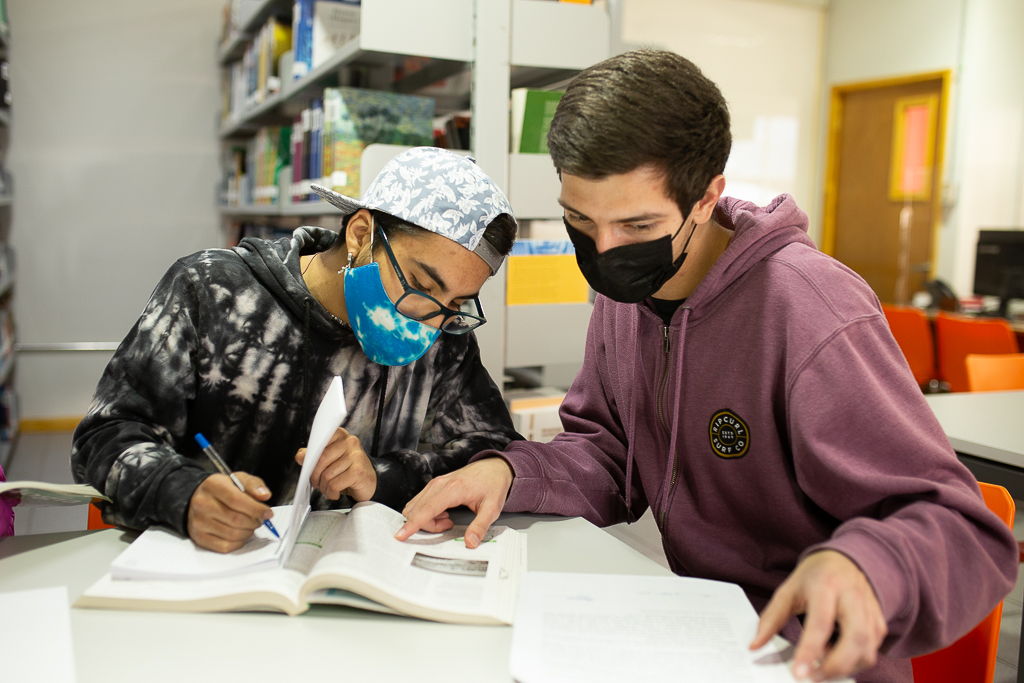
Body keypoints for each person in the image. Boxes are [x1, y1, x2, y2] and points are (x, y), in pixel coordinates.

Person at [395, 52, 1019, 682]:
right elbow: (611, 453)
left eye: (638, 224)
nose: (605, 252)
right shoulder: (628, 295)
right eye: (580, 220)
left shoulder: (811, 311)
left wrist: (864, 566)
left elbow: (961, 529)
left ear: (707, 196)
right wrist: (509, 472)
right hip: (701, 636)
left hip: (808, 661)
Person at [72, 147, 521, 554]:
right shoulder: (213, 291)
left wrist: (381, 476)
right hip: (208, 570)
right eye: (421, 285)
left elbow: (494, 452)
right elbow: (105, 436)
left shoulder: (445, 336)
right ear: (361, 234)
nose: (432, 319)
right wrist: (182, 493)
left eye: (458, 303)